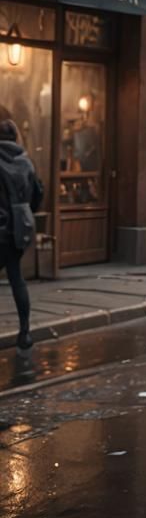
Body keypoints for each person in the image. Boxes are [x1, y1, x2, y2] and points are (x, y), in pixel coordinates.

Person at [0, 119, 44, 350]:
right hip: (18, 229)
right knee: (17, 278)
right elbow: (36, 197)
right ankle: (24, 332)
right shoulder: (26, 162)